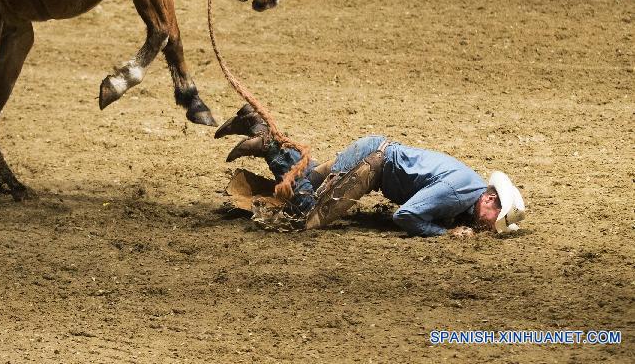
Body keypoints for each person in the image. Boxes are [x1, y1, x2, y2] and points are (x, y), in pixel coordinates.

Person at [216, 104, 526, 237]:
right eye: (492, 222)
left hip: (374, 152)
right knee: (307, 216)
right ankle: (269, 143)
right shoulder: (462, 191)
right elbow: (406, 216)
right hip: (373, 163)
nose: (488, 229)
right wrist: (443, 233)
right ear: (491, 201)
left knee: (308, 178)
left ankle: (255, 122)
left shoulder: (467, 184)